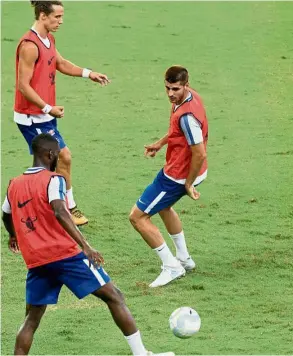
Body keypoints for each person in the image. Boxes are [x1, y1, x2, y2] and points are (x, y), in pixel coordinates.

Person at [1, 133, 174, 356]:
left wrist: (13, 235)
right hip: (66, 256)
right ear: (50, 154)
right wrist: (85, 245)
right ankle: (141, 354)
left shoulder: (14, 184)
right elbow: (61, 211)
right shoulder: (53, 180)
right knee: (114, 296)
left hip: (36, 261)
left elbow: (5, 214)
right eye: (56, 155)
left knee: (32, 318)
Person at [14, 1, 111, 226]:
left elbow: (60, 62)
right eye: (57, 17)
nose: (61, 21)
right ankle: (66, 207)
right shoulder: (29, 46)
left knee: (46, 165)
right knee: (61, 157)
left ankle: (39, 208)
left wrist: (89, 74)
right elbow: (23, 86)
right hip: (32, 117)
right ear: (42, 15)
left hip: (44, 116)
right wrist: (48, 108)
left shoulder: (48, 39)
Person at [129, 66, 208, 288]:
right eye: (167, 88)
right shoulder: (189, 99)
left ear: (186, 84)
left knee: (137, 217)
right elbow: (177, 133)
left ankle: (172, 267)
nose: (170, 94)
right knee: (164, 207)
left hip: (178, 175)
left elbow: (200, 153)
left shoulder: (187, 116)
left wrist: (188, 183)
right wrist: (160, 143)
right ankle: (183, 258)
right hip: (184, 170)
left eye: (175, 89)